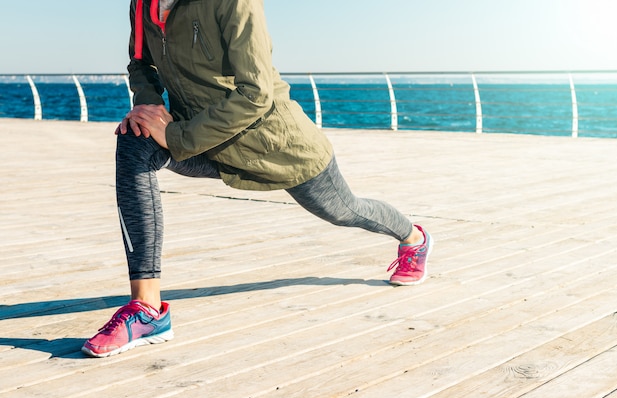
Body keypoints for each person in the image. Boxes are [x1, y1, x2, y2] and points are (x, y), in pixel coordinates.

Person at [81, 0, 433, 358]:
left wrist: (176, 138)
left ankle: (413, 237)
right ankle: (147, 310)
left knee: (345, 210)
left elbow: (256, 94)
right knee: (134, 140)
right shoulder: (142, 3)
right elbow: (140, 62)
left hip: (274, 145)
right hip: (200, 139)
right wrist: (149, 106)